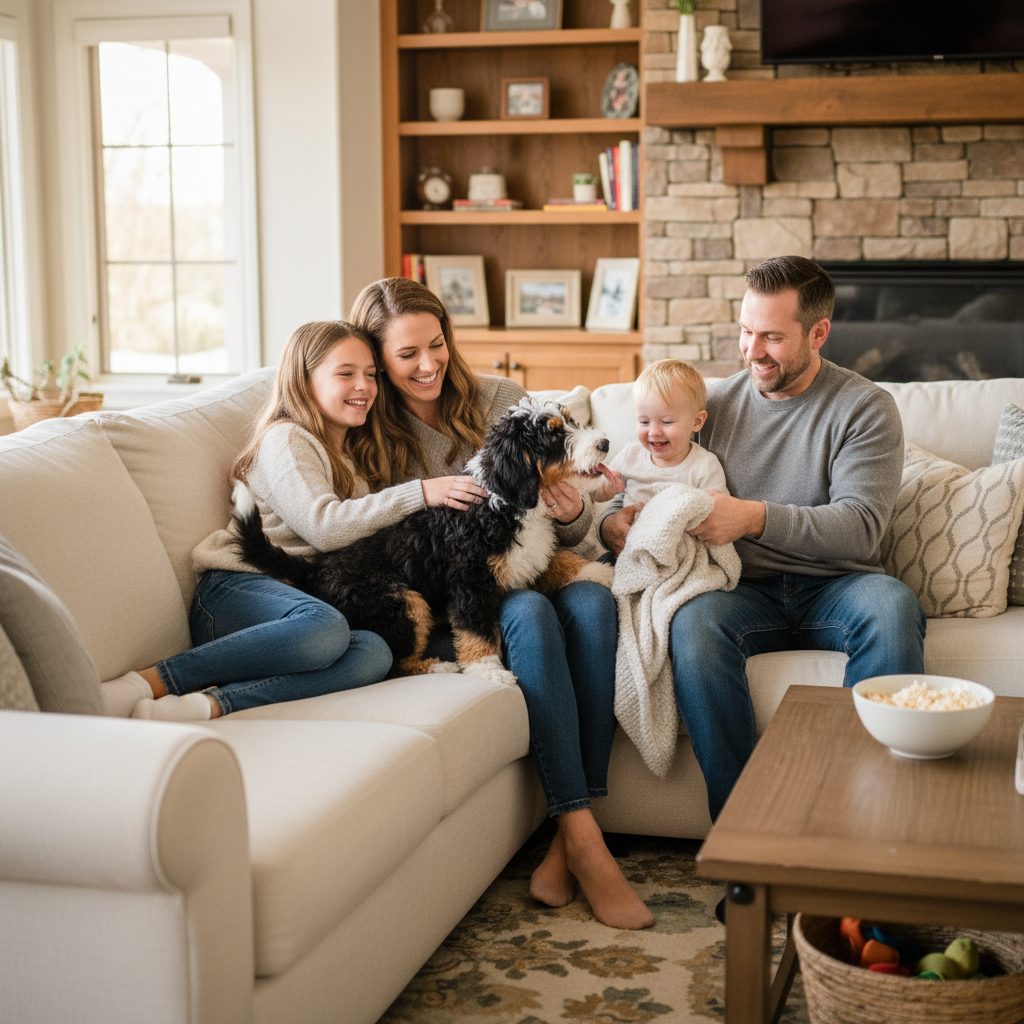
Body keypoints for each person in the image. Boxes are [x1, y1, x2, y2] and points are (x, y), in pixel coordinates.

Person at [599, 256, 927, 914]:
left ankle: (866, 848)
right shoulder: (710, 406)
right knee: (690, 628)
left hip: (837, 587)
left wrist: (753, 516)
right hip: (740, 589)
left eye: (772, 336)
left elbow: (861, 529)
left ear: (819, 333)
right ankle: (753, 853)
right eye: (747, 331)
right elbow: (638, 473)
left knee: (893, 608)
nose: (753, 350)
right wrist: (613, 523)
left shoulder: (864, 408)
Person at [350, 276, 654, 931]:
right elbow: (369, 533)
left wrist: (576, 512)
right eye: (406, 356)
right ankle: (583, 836)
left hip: (527, 561)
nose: (428, 364)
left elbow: (557, 520)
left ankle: (571, 835)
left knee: (597, 609)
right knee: (536, 618)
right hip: (460, 595)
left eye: (436, 344)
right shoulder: (368, 432)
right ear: (377, 362)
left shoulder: (501, 399)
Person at [102, 321, 422, 722]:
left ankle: (210, 705)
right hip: (236, 592)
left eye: (371, 375)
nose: (365, 386)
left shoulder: (354, 456)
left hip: (300, 607)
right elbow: (325, 527)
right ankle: (149, 681)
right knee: (326, 628)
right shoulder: (287, 439)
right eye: (346, 373)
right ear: (303, 382)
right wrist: (421, 493)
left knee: (375, 651)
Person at [594, 359, 728, 563]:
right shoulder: (631, 455)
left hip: (678, 554)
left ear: (696, 421)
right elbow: (598, 493)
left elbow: (717, 513)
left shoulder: (704, 465)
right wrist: (607, 489)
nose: (654, 431)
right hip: (630, 549)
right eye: (644, 422)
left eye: (666, 422)